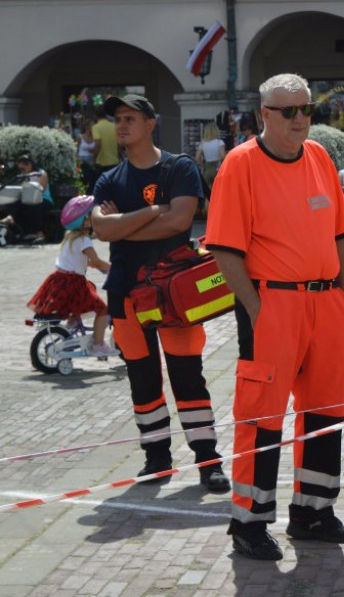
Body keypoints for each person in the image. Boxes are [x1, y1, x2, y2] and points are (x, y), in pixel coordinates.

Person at [206, 73, 344, 561]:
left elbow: (339, 230)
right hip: (272, 303)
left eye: (306, 109)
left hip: (325, 303)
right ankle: (249, 522)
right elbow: (224, 250)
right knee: (260, 415)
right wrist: (257, 309)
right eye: (288, 111)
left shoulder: (318, 157)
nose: (299, 119)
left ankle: (314, 511)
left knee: (326, 410)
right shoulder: (240, 165)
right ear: (263, 115)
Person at [88, 94, 229, 494]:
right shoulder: (108, 179)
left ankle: (207, 459)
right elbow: (102, 230)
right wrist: (151, 213)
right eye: (117, 119)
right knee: (142, 380)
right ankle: (157, 458)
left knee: (188, 377)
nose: (121, 126)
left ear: (151, 123)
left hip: (173, 293)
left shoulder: (178, 167)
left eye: (129, 118)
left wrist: (123, 224)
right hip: (125, 292)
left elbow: (180, 221)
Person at [27, 195, 113, 355]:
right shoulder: (84, 240)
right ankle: (98, 345)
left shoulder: (70, 237)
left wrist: (95, 265)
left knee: (82, 298)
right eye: (93, 215)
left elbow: (80, 260)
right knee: (102, 310)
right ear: (86, 220)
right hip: (73, 281)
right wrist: (111, 268)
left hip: (59, 280)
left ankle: (73, 322)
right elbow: (96, 261)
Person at [0, 155, 53, 243]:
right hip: (26, 199)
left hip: (42, 199)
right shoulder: (22, 176)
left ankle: (39, 233)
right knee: (15, 202)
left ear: (29, 165)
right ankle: (10, 218)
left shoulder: (40, 173)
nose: (21, 170)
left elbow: (41, 189)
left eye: (23, 168)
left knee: (35, 204)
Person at [195, 121, 226, 189]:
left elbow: (197, 158)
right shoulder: (219, 142)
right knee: (218, 190)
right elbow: (222, 156)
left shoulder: (203, 143)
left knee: (207, 192)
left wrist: (203, 165)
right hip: (217, 167)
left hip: (207, 168)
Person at [91, 112, 120, 184]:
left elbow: (98, 144)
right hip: (114, 161)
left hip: (101, 162)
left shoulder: (96, 127)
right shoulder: (114, 126)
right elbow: (119, 143)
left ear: (96, 116)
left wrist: (94, 159)